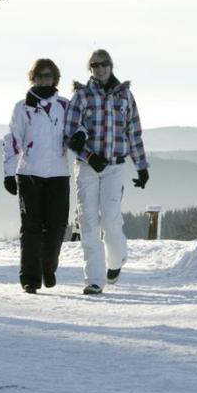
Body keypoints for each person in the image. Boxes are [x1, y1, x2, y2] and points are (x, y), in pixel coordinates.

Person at [65, 49, 149, 295]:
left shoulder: (124, 96)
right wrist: (90, 156)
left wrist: (142, 167)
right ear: (90, 68)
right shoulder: (81, 96)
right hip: (87, 167)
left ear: (111, 66)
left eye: (104, 64)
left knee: (111, 221)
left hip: (114, 166)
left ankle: (116, 262)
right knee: (88, 221)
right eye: (94, 65)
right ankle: (94, 279)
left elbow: (133, 133)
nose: (99, 69)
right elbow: (69, 134)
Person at [2, 59, 70, 294]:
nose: (43, 79)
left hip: (59, 173)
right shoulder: (23, 107)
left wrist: (79, 136)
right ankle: (30, 278)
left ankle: (48, 267)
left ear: (55, 78)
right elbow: (12, 139)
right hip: (29, 172)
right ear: (33, 78)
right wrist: (9, 173)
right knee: (31, 227)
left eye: (48, 75)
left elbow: (76, 130)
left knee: (57, 226)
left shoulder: (65, 105)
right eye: (39, 75)